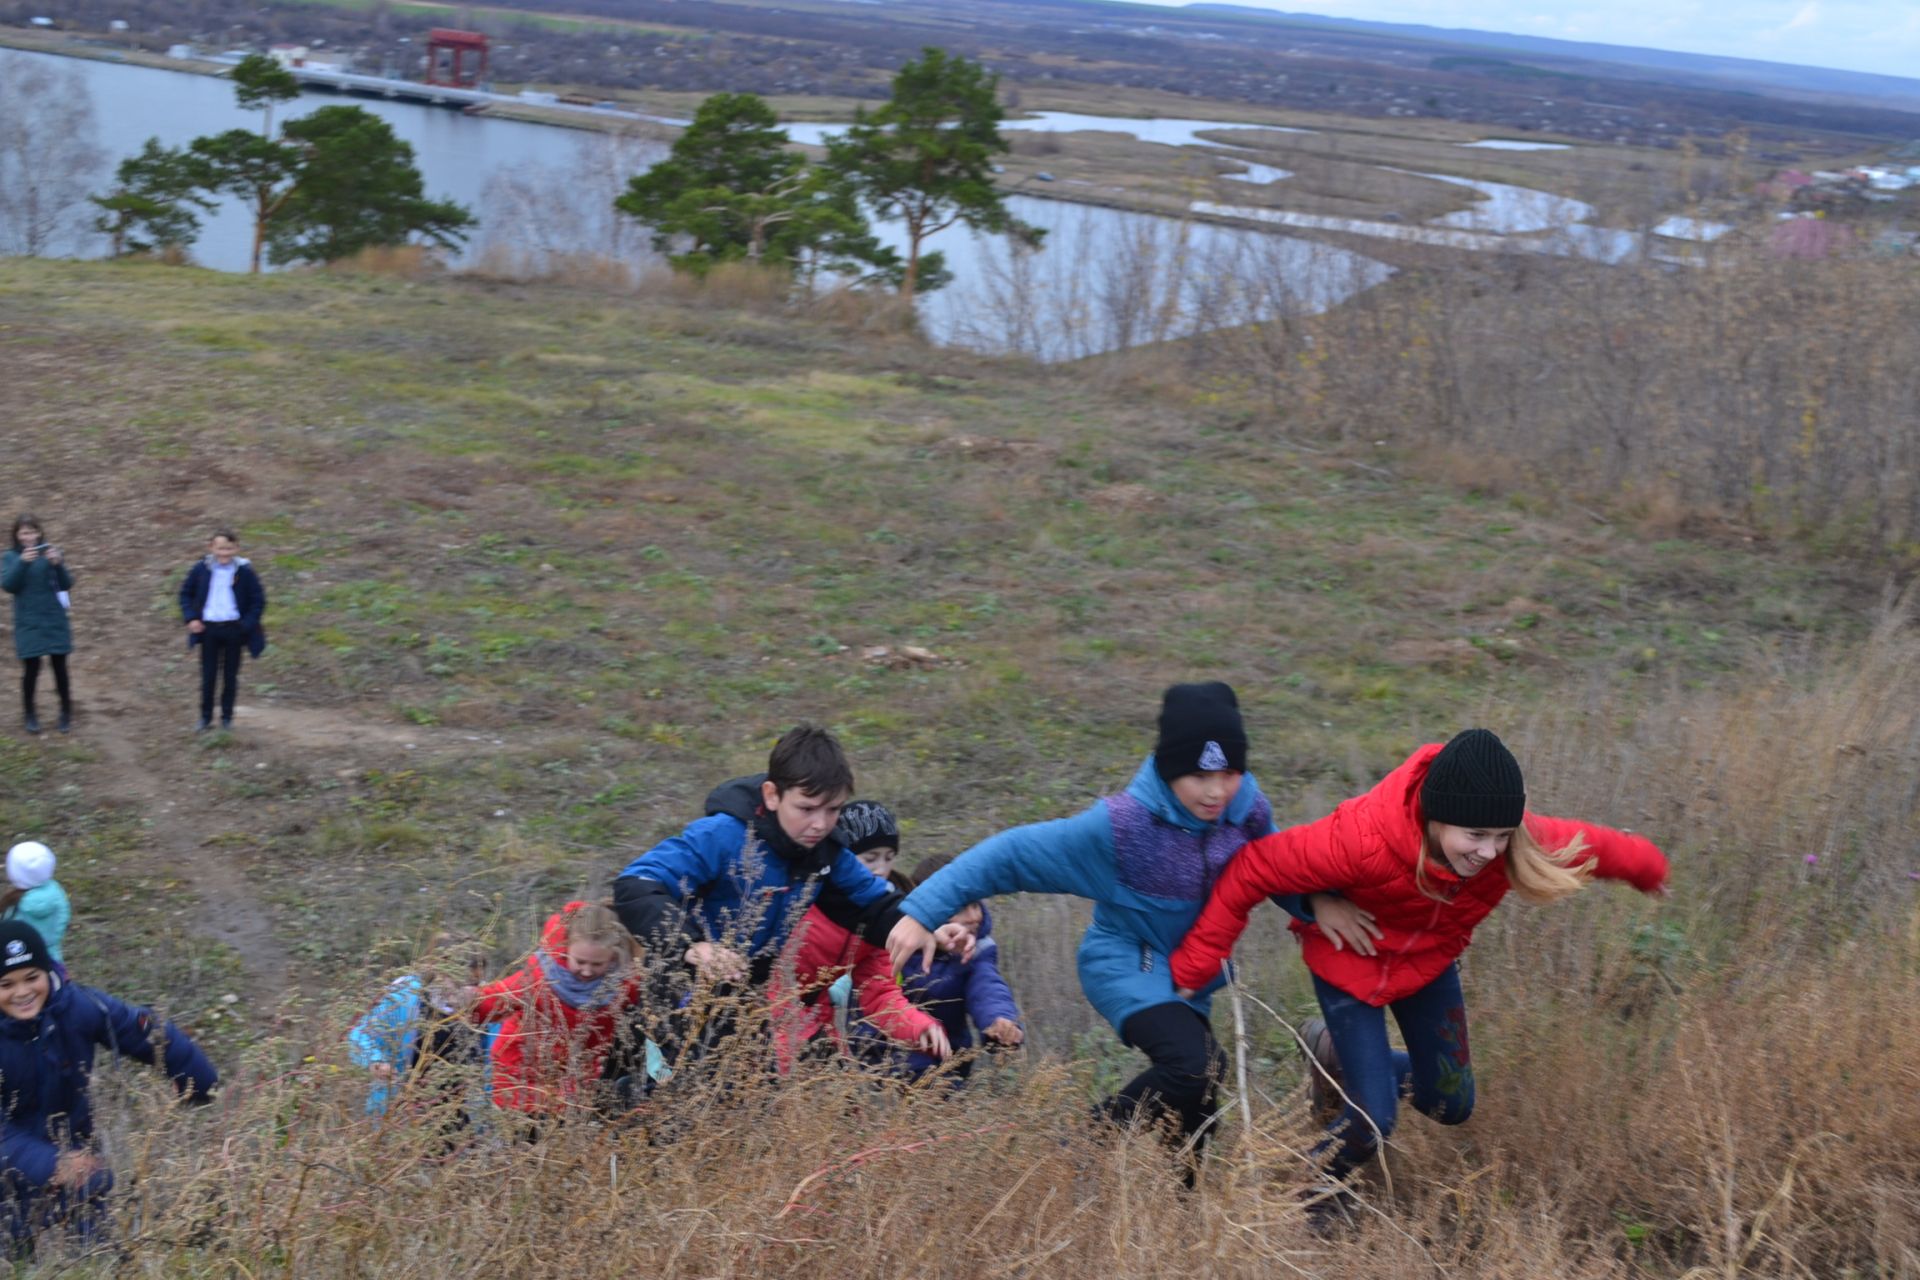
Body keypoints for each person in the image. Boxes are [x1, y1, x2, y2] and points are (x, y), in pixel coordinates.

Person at [1169, 728, 1669, 1207]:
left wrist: (1648, 869)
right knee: (1371, 1120)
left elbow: (1593, 846)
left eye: (1501, 836)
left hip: (1427, 964)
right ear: (1435, 817)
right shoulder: (1358, 840)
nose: (1489, 852)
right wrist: (1197, 965)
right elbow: (1255, 867)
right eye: (1474, 834)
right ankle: (1311, 1191)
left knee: (1450, 1102)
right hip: (1351, 963)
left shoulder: (1510, 844)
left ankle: (1332, 1056)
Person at [887, 682, 1276, 1167]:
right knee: (1196, 1067)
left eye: (1230, 772)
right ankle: (1075, 1150)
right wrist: (922, 910)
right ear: (1170, 768)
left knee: (1198, 1111)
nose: (1217, 790)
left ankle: (1179, 1221)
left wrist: (1323, 906)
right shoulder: (1124, 828)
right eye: (1199, 775)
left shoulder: (1247, 810)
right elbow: (1012, 853)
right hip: (1128, 960)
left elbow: (1278, 868)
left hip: (1190, 971)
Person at [613, 726, 971, 1051]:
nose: (820, 824)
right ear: (772, 795)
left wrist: (929, 924)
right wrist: (692, 945)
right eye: (806, 808)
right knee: (663, 1107)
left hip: (744, 1005)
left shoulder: (827, 851)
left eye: (832, 809)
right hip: (679, 990)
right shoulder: (722, 835)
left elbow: (875, 906)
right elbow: (636, 885)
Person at [0, 920, 216, 1254]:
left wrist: (201, 1081)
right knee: (16, 1258)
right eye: (6, 984)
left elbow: (142, 1029)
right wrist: (55, 1164)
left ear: (48, 972)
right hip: (8, 1184)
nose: (23, 992)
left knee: (102, 1257)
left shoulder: (76, 1006)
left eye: (32, 977)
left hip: (81, 1168)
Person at [767, 801, 948, 1072]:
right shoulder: (807, 897)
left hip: (816, 1019)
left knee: (844, 1108)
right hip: (762, 1012)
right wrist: (804, 1042)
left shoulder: (882, 919)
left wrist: (920, 1027)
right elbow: (773, 975)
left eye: (889, 857)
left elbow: (880, 994)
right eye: (870, 858)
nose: (881, 868)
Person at [470, 901, 662, 1120]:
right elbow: (496, 999)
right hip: (519, 1077)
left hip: (576, 1086)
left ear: (614, 958)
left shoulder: (626, 986)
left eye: (597, 964)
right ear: (566, 949)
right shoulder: (541, 976)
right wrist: (465, 1002)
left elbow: (648, 1025)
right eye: (580, 961)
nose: (587, 971)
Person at [855, 854, 1023, 1084]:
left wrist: (999, 1020)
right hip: (888, 1058)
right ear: (930, 906)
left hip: (948, 1062)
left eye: (976, 904)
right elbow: (872, 1002)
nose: (974, 917)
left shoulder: (977, 949)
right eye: (961, 907)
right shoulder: (895, 942)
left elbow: (987, 987)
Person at [347, 932, 490, 1118]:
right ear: (439, 971)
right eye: (463, 982)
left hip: (463, 1123)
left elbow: (493, 1062)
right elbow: (361, 1034)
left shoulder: (490, 1003)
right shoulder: (406, 995)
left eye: (476, 983)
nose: (470, 990)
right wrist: (376, 1061)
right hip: (401, 1115)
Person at [177, 528, 268, 732]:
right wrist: (191, 618)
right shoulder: (202, 569)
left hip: (234, 630)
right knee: (208, 676)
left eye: (228, 548)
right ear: (211, 547)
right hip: (208, 630)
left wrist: (246, 624)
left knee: (230, 676)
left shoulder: (244, 572)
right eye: (220, 548)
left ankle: (227, 719)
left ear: (236, 548)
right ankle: (205, 718)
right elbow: (185, 594)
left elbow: (258, 600)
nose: (224, 553)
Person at [1, 515, 73, 735]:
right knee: (31, 669)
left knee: (59, 666)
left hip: (53, 618)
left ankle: (65, 712)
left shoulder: (51, 554)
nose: (29, 537)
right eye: (24, 533)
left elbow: (66, 584)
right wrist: (23, 562)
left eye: (32, 532)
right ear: (16, 536)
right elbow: (8, 586)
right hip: (28, 621)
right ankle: (30, 713)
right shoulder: (10, 557)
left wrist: (58, 564)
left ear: (39, 533)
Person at [0, 844, 68, 970]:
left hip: (18, 965)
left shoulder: (15, 904)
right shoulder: (56, 892)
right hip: (53, 960)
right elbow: (63, 919)